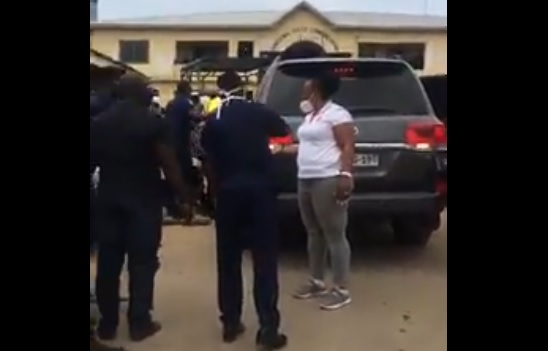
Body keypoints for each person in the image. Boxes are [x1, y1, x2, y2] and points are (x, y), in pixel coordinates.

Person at [90, 75, 192, 342]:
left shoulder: (98, 124)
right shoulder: (154, 124)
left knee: (108, 263)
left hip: (109, 200)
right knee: (143, 263)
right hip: (143, 201)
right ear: (140, 94)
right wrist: (183, 198)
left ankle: (107, 325)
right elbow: (169, 165)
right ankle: (139, 322)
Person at [201, 87, 289, 350]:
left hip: (228, 193)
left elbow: (206, 155)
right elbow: (283, 131)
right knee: (264, 260)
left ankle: (230, 323)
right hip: (260, 194)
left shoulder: (214, 118)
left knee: (228, 260)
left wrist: (213, 192)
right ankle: (268, 329)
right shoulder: (260, 111)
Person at [273, 74, 355, 311]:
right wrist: (280, 149)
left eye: (305, 89)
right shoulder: (310, 117)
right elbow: (309, 145)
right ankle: (317, 281)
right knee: (313, 231)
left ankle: (341, 289)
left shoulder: (337, 115)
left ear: (316, 90)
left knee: (334, 233)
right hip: (305, 178)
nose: (302, 93)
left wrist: (346, 176)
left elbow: (347, 145)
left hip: (327, 178)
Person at [165, 81, 210, 225]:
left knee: (171, 175)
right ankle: (188, 211)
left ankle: (173, 210)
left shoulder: (171, 104)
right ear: (187, 90)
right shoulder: (186, 103)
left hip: (169, 143)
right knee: (186, 176)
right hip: (182, 145)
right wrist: (209, 116)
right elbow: (196, 118)